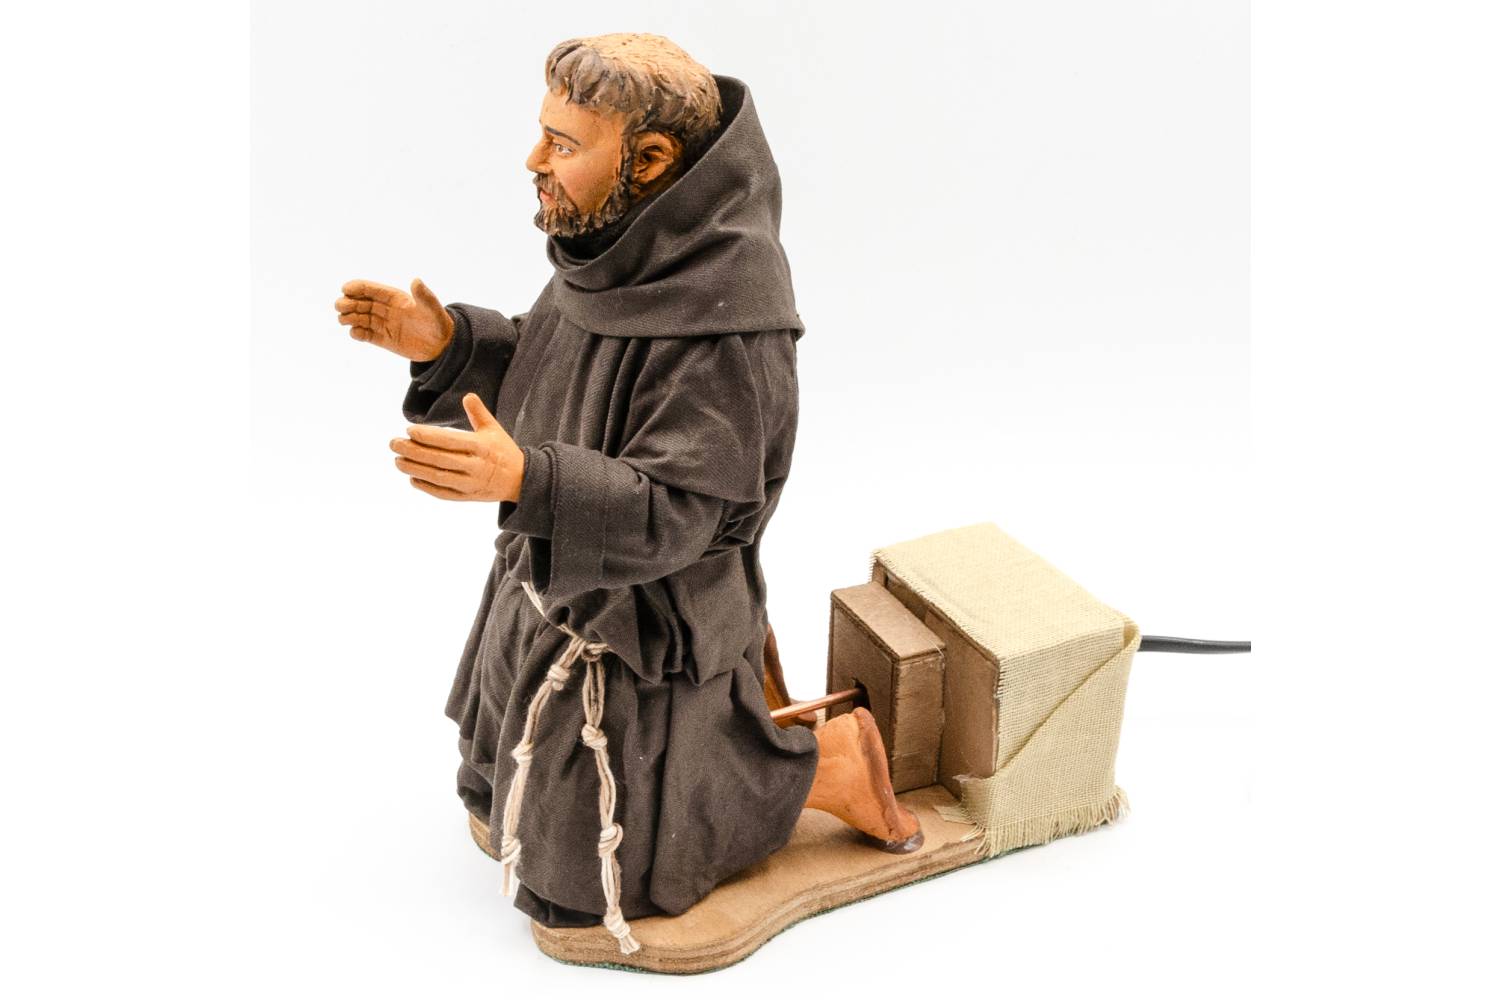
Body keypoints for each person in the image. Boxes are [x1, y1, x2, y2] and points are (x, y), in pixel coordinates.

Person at [335, 33, 920, 952]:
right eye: (543, 133)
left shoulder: (727, 320)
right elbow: (554, 368)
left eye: (564, 144)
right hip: (556, 569)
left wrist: (530, 480)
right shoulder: (618, 249)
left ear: (648, 161)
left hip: (643, 619)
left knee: (593, 864)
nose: (534, 160)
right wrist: (448, 345)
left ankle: (830, 766)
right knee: (499, 774)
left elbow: (686, 508)